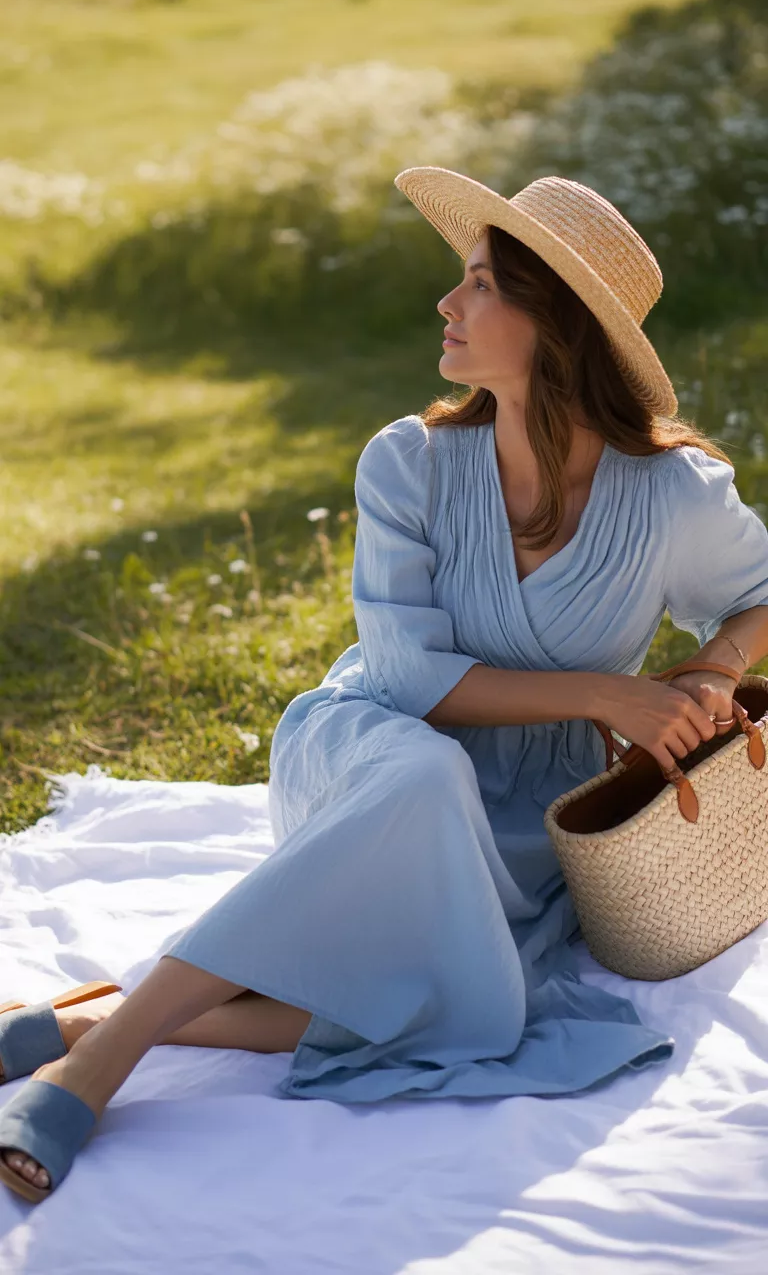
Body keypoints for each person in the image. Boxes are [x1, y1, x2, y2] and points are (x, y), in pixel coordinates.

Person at [3, 168, 768, 1205]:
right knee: (418, 777)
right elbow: (409, 678)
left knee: (462, 1005)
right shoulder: (408, 462)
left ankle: (88, 1021)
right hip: (367, 750)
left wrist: (718, 662)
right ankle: (99, 1066)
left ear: (559, 326)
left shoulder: (672, 493)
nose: (448, 305)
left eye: (483, 285)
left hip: (525, 817)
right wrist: (610, 695)